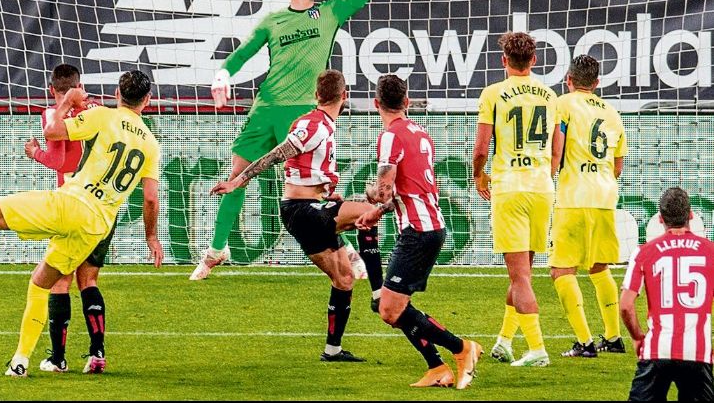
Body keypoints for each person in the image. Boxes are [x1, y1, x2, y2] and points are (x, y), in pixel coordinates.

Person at [192, 0, 444, 281]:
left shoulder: (329, 12)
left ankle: (347, 249)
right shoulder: (273, 21)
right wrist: (222, 75)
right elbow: (243, 52)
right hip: (265, 108)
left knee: (316, 189)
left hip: (302, 111)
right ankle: (218, 248)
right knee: (237, 175)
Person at [0, 70, 164, 377]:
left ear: (117, 94)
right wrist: (151, 237)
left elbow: (52, 131)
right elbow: (151, 198)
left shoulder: (103, 117)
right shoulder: (152, 144)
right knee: (41, 283)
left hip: (72, 203)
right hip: (97, 226)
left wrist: (68, 102)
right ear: (148, 100)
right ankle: (20, 362)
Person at [212, 69, 381, 362]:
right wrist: (238, 180)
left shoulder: (318, 123)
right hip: (303, 211)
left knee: (344, 279)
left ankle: (333, 350)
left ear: (316, 95)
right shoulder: (314, 125)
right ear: (344, 97)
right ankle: (379, 292)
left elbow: (302, 169)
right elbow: (278, 153)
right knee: (370, 212)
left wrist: (326, 192)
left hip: (307, 208)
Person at [356, 74, 482, 389]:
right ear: (407, 102)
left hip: (418, 231)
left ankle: (462, 348)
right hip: (428, 226)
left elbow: (384, 190)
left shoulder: (390, 136)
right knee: (395, 308)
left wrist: (371, 194)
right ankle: (437, 367)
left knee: (387, 309)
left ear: (376, 104)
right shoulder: (422, 135)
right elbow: (415, 188)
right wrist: (378, 211)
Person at [472, 31, 559, 367]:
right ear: (534, 60)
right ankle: (504, 342)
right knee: (523, 273)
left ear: (503, 60)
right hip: (541, 189)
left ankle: (537, 349)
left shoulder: (493, 93)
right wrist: (544, 175)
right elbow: (556, 149)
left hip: (509, 189)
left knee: (519, 276)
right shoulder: (550, 96)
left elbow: (481, 149)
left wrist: (479, 175)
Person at [23, 64, 115, 374]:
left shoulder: (53, 115)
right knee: (88, 280)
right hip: (103, 206)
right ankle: (97, 351)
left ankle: (58, 359)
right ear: (80, 85)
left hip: (71, 206)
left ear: (52, 90)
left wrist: (35, 152)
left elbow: (60, 161)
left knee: (59, 281)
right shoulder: (100, 110)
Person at [549, 54, 627, 358]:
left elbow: (559, 145)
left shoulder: (563, 104)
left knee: (561, 270)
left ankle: (584, 343)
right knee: (599, 266)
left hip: (574, 196)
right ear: (596, 83)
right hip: (606, 197)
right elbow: (618, 165)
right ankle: (613, 337)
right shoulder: (612, 112)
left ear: (568, 79)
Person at [621, 187, 714, 401]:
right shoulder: (710, 252)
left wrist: (637, 337)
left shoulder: (644, 252)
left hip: (657, 351)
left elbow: (626, 305)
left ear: (660, 219)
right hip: (697, 353)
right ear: (691, 215)